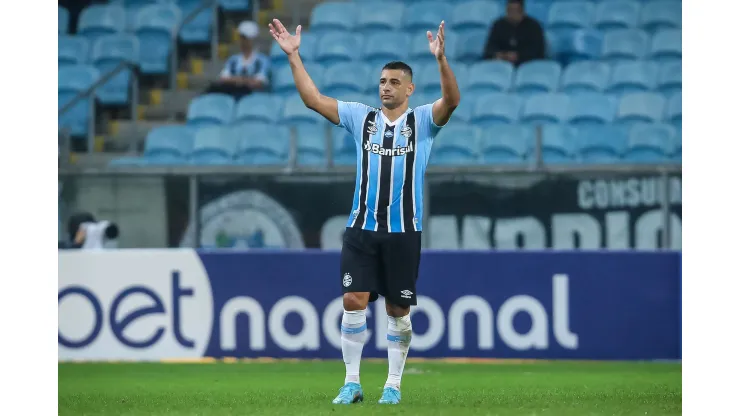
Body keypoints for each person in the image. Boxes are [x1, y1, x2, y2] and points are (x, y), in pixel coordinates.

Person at [269, 18, 460, 405]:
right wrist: (294, 56)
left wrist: (441, 59)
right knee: (353, 300)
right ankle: (352, 382)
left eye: (393, 82)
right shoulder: (362, 117)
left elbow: (452, 101)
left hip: (404, 230)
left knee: (397, 308)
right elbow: (313, 99)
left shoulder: (422, 121)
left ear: (410, 88)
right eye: (382, 82)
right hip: (361, 227)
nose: (385, 87)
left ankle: (392, 385)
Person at [205, 21, 271, 100]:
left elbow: (258, 83)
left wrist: (237, 80)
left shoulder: (262, 60)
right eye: (241, 38)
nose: (242, 41)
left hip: (252, 97)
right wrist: (244, 81)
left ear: (253, 39)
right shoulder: (233, 60)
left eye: (245, 38)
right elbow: (223, 79)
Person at [483, 0, 546, 66]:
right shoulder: (498, 25)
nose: (512, 14)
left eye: (515, 11)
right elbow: (489, 48)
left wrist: (518, 56)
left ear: (522, 11)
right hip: (502, 64)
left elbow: (538, 50)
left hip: (527, 64)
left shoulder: (534, 26)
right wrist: (500, 54)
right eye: (509, 11)